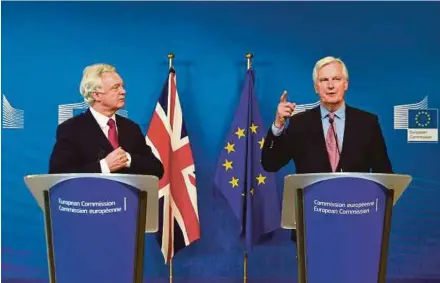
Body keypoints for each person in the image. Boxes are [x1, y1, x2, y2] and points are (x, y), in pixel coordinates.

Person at [261, 56, 393, 175]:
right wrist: (278, 125)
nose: (330, 86)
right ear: (316, 88)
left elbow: (384, 175)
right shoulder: (299, 123)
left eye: (336, 79)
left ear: (345, 84)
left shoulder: (367, 123)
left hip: (355, 201)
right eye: (324, 80)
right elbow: (270, 164)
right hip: (313, 201)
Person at [49, 63, 164, 178]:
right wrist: (104, 166)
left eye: (122, 86)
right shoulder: (71, 129)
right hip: (89, 195)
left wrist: (127, 158)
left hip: (127, 195)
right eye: (116, 87)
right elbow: (58, 176)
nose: (123, 91)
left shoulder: (131, 128)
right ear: (97, 95)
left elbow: (156, 169)